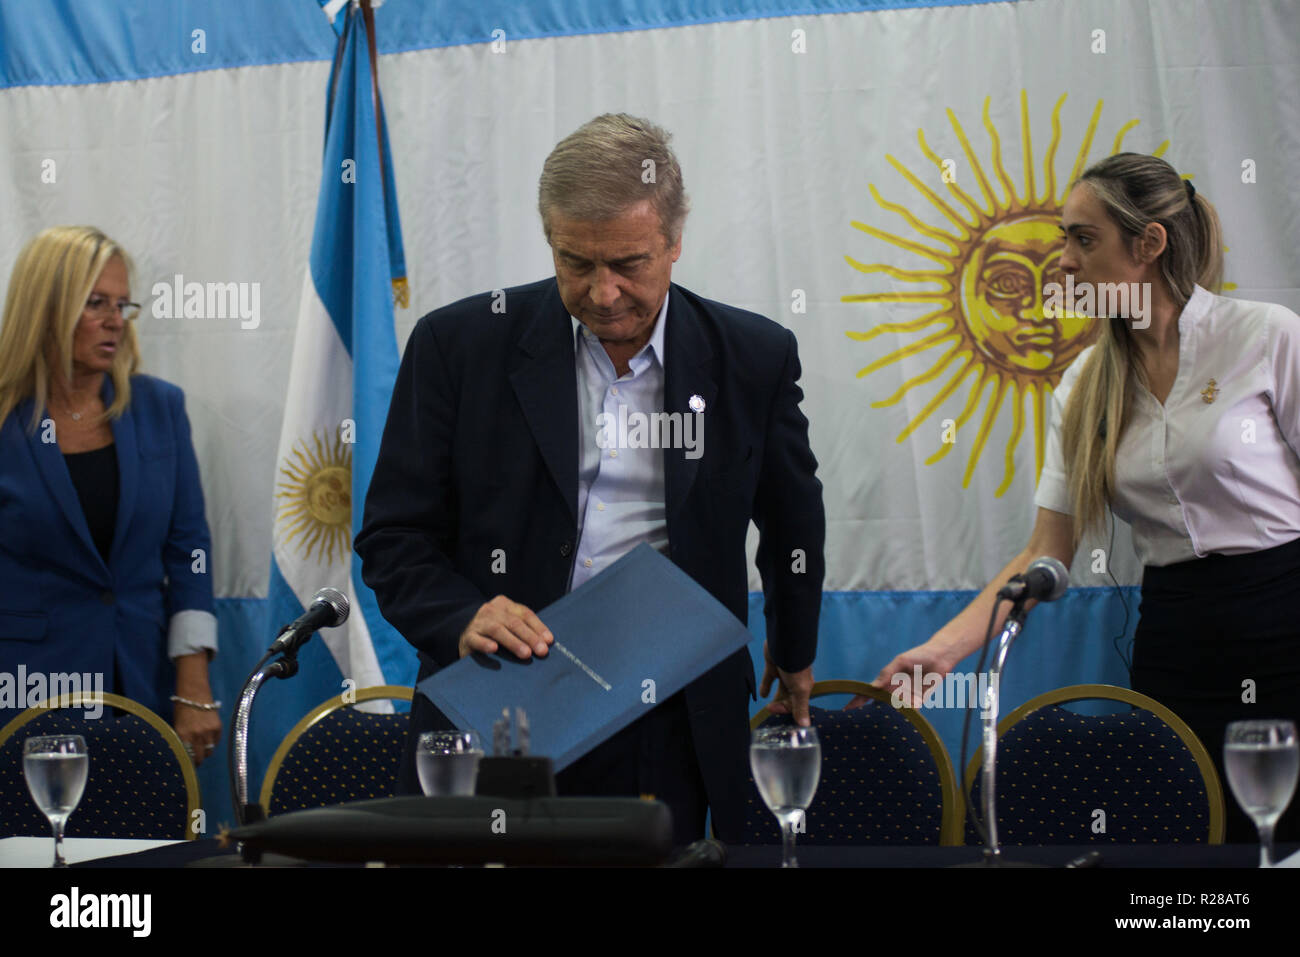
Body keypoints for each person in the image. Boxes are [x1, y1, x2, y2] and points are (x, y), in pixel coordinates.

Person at [356, 114, 825, 844]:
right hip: (502, 701)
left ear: (675, 240)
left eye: (629, 263)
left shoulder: (752, 358)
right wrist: (461, 616)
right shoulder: (458, 348)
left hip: (674, 716)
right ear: (549, 237)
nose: (604, 292)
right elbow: (393, 535)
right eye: (576, 261)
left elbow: (793, 518)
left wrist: (794, 650)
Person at [865, 153, 1300, 843]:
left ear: (1147, 246)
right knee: (1186, 845)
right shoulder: (1083, 386)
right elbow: (1045, 553)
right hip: (1177, 640)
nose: (1062, 262)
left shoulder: (1268, 336)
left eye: (1082, 239)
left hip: (1284, 618)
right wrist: (942, 651)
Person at [0, 226, 220, 766]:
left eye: (122, 305)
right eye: (95, 303)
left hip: (141, 683)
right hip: (23, 692)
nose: (114, 320)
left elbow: (188, 552)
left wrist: (192, 687)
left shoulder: (158, 408)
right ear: (45, 308)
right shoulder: (7, 418)